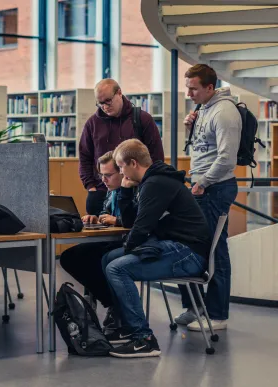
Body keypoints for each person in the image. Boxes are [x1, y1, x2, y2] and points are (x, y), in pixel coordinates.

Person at [102, 139, 210, 358]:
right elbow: (130, 222)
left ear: (133, 163)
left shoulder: (156, 183)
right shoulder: (148, 183)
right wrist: (124, 191)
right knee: (108, 259)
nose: (121, 172)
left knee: (116, 268)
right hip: (174, 246)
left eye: (121, 167)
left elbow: (142, 228)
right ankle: (125, 324)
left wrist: (128, 248)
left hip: (188, 253)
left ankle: (143, 339)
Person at [175, 64, 241, 332]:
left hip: (214, 188)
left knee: (215, 250)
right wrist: (189, 128)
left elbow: (227, 159)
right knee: (190, 244)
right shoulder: (204, 108)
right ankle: (196, 307)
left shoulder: (224, 112)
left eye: (193, 88)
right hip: (202, 185)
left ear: (209, 87)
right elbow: (202, 148)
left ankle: (217, 314)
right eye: (187, 87)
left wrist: (202, 183)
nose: (189, 93)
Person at [59, 151, 137, 331]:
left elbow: (139, 220)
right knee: (70, 257)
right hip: (111, 239)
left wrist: (116, 221)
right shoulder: (111, 192)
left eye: (108, 175)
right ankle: (112, 302)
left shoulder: (136, 190)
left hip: (130, 242)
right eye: (101, 175)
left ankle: (117, 306)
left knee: (99, 259)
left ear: (123, 172)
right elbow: (105, 212)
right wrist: (97, 218)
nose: (103, 180)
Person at [79, 79, 164, 216]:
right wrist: (91, 186)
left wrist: (146, 186)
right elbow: (84, 156)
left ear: (119, 93)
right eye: (100, 103)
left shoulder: (142, 119)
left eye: (108, 101)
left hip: (133, 190)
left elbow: (156, 157)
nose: (105, 106)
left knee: (126, 228)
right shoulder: (92, 123)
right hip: (100, 190)